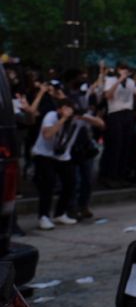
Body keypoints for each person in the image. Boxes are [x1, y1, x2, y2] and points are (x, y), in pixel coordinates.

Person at [32, 98, 81, 230]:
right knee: (48, 184)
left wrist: (85, 117)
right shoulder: (51, 116)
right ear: (59, 109)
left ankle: (60, 213)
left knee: (70, 183)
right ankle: (43, 216)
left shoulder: (76, 119)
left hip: (63, 156)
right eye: (64, 109)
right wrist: (63, 119)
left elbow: (101, 124)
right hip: (44, 154)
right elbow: (47, 134)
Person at [98, 61, 136, 188]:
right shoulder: (111, 80)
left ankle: (121, 176)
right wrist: (119, 80)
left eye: (126, 69)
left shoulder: (130, 82)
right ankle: (110, 176)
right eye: (122, 69)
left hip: (128, 114)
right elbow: (108, 95)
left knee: (125, 146)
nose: (125, 71)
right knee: (115, 145)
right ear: (118, 70)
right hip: (115, 113)